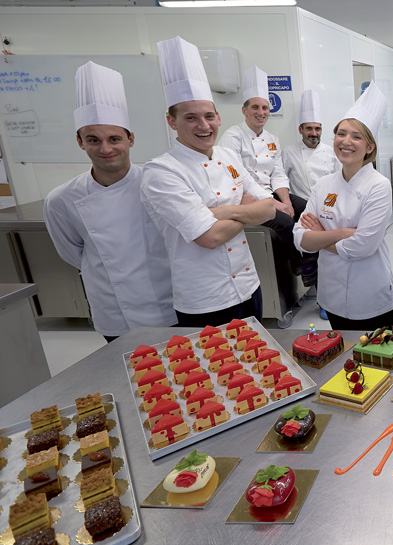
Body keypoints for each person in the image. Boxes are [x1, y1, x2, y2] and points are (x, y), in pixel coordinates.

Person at [142, 36, 276, 327]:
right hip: (205, 298)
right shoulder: (161, 171)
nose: (203, 126)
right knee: (215, 371)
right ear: (171, 121)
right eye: (191, 118)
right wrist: (245, 208)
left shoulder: (227, 154)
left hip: (248, 284)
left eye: (208, 116)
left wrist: (222, 213)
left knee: (258, 364)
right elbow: (209, 237)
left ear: (218, 117)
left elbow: (268, 208)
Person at [43, 61, 176, 342]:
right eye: (93, 140)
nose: (105, 148)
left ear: (130, 139)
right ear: (79, 141)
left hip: (169, 304)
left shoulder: (158, 183)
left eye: (114, 138)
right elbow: (74, 254)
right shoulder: (61, 200)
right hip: (115, 311)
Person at [294, 83, 393, 331]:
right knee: (343, 364)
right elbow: (299, 238)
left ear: (370, 147)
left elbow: (363, 246)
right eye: (341, 134)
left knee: (377, 363)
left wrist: (320, 235)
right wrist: (342, 234)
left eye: (356, 136)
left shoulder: (379, 186)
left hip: (370, 296)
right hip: (331, 297)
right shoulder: (324, 185)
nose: (345, 141)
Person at [220, 66, 312, 286]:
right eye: (255, 107)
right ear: (244, 110)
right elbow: (238, 179)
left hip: (271, 191)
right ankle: (296, 263)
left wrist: (287, 200)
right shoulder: (232, 137)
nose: (261, 112)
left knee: (309, 209)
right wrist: (272, 203)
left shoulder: (272, 138)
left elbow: (278, 172)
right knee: (284, 222)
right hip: (246, 198)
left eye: (264, 107)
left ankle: (311, 261)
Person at [282, 89, 338, 291]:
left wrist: (328, 206)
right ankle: (316, 288)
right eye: (309, 129)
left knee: (329, 252)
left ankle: (327, 290)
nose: (313, 133)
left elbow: (339, 181)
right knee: (311, 250)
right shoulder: (289, 152)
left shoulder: (331, 152)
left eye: (317, 129)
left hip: (328, 206)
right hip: (302, 209)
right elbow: (281, 181)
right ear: (300, 129)